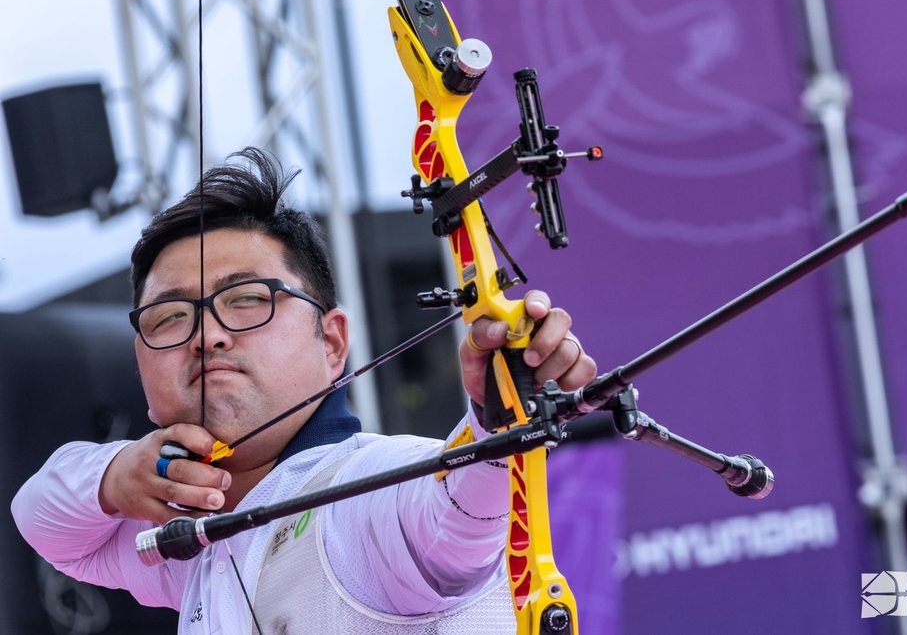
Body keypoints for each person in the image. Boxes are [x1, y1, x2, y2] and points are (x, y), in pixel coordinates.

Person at [12, 147, 596, 633]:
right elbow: (40, 518)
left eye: (247, 299)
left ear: (333, 342)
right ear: (141, 365)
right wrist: (117, 479)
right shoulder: (189, 542)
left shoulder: (370, 493)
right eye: (169, 317)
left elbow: (455, 512)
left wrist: (498, 417)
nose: (206, 336)